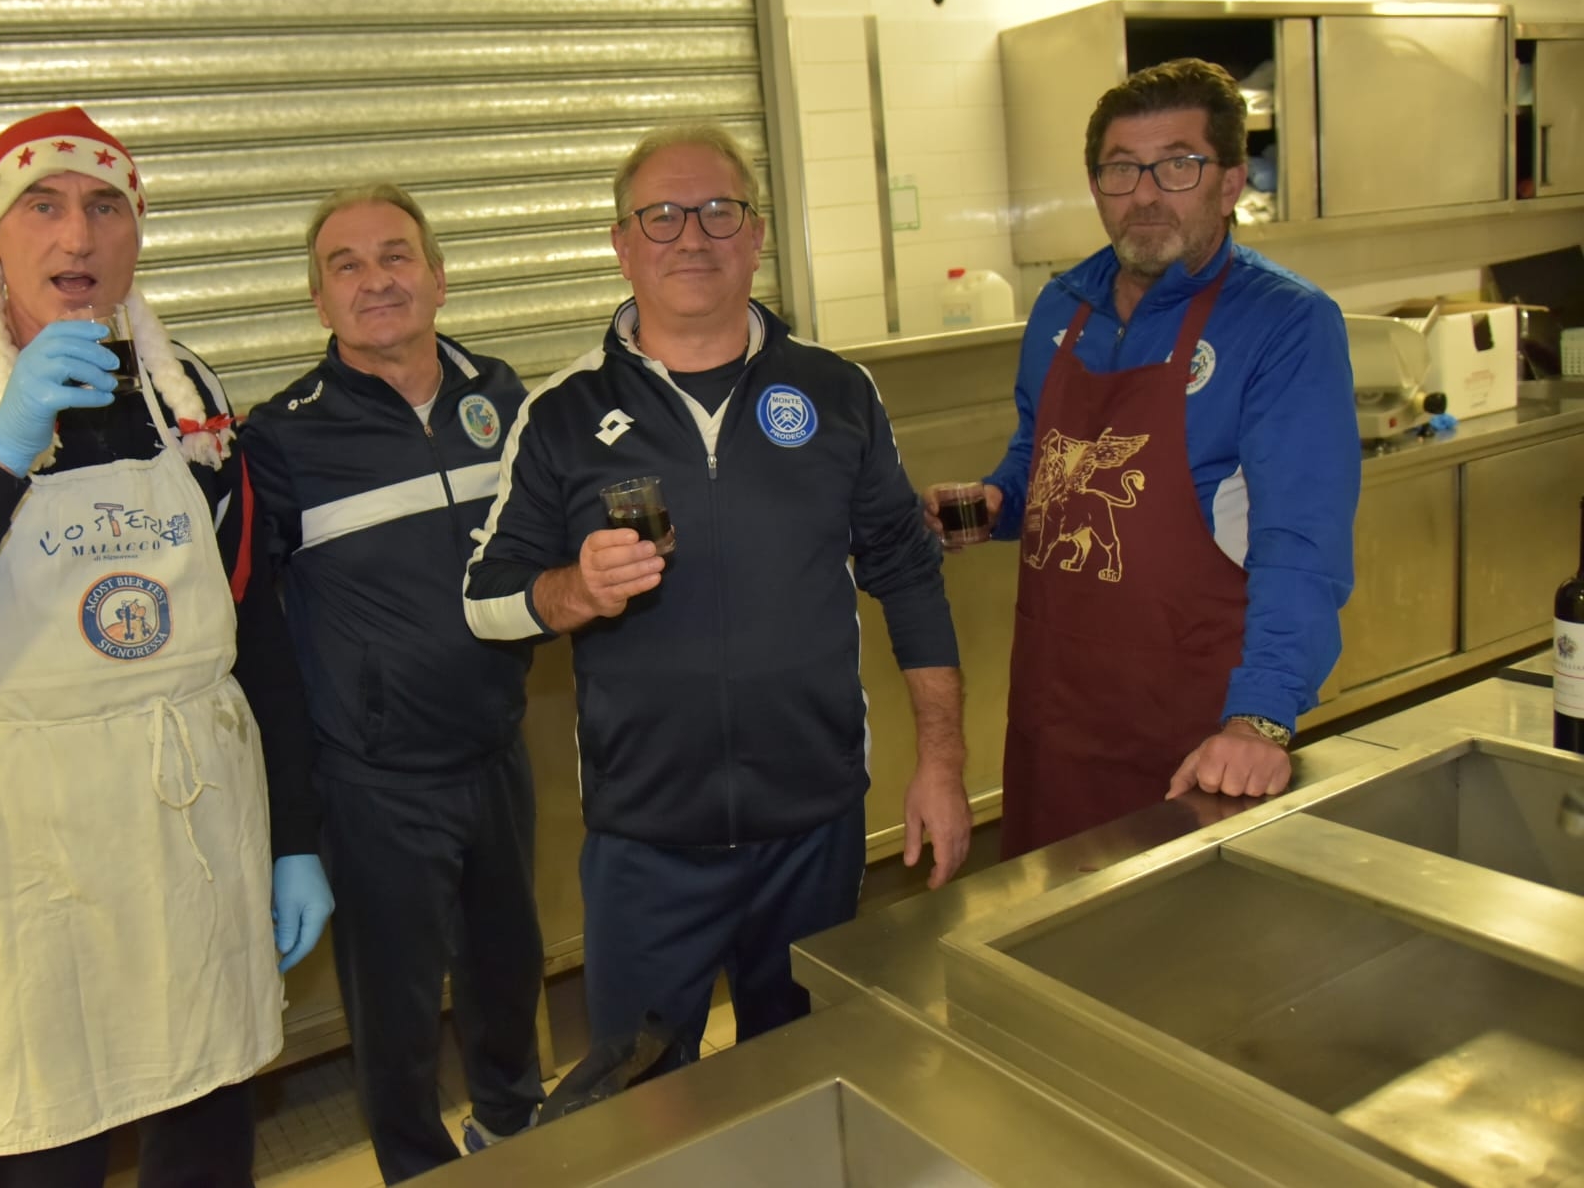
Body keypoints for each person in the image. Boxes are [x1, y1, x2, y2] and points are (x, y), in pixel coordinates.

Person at [0, 106, 333, 1187]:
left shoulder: (187, 396)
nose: (76, 237)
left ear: (136, 234)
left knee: (207, 1134)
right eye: (40, 206)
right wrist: (0, 451)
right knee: (48, 1145)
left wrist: (294, 833)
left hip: (194, 821)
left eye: (103, 207)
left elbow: (255, 629)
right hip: (32, 847)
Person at [463, 122, 968, 1067]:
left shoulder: (837, 392)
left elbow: (907, 574)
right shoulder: (562, 412)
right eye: (660, 216)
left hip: (814, 828)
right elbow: (484, 599)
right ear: (622, 244)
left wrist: (942, 762)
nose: (691, 236)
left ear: (757, 233)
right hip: (647, 843)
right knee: (644, 1103)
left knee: (812, 1076)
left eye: (717, 211)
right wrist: (573, 589)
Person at [941, 58, 1358, 857]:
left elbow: (1301, 548)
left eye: (1177, 165)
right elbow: (1043, 457)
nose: (1145, 194)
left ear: (1229, 183)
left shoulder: (1284, 323)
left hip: (1194, 739)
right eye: (1121, 169)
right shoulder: (1064, 303)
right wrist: (998, 502)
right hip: (1055, 721)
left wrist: (1260, 719)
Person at [238, 184, 545, 1183]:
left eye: (395, 255)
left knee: (508, 973)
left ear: (438, 277)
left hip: (496, 748)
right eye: (347, 265)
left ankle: (512, 1131)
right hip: (372, 781)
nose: (375, 280)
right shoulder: (282, 438)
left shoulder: (503, 397)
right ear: (318, 300)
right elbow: (252, 630)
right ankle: (414, 1167)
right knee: (397, 1012)